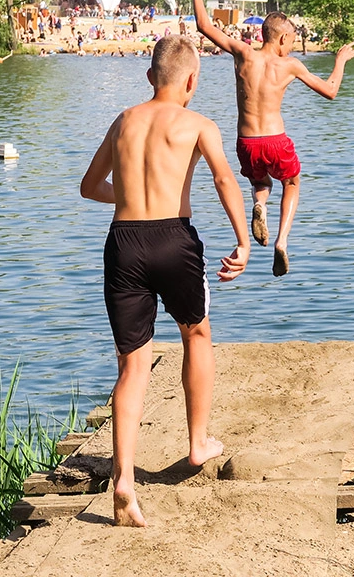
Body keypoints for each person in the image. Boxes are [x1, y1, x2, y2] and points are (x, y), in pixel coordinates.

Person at [80, 34, 250, 527]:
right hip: (175, 240)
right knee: (196, 333)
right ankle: (198, 441)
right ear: (193, 80)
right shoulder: (198, 124)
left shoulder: (124, 121)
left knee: (132, 367)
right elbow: (222, 178)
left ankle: (124, 483)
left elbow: (90, 187)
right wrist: (242, 241)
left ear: (151, 76)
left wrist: (131, 197)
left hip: (124, 242)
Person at [186, 0, 354, 277]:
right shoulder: (290, 65)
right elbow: (331, 92)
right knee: (291, 182)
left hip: (246, 142)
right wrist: (340, 61)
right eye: (292, 40)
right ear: (281, 38)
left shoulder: (243, 54)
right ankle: (282, 241)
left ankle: (260, 206)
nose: (293, 46)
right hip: (276, 140)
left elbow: (203, 25)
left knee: (259, 181)